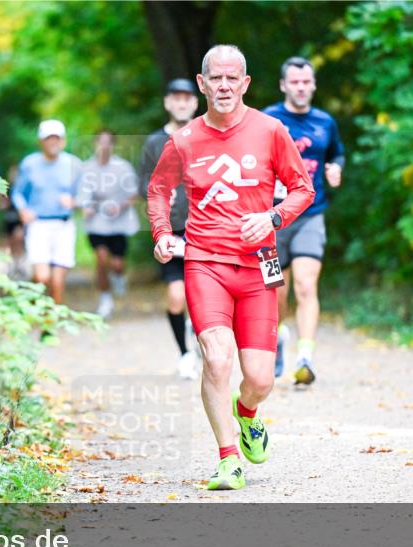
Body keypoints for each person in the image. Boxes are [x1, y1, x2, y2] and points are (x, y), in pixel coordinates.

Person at [148, 45, 314, 491]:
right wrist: (163, 233)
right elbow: (158, 191)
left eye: (231, 79)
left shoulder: (271, 130)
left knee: (260, 379)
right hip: (205, 262)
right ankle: (228, 459)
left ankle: (248, 414)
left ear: (244, 84)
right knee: (217, 359)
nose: (223, 86)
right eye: (214, 79)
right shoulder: (183, 140)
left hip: (260, 261)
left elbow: (303, 188)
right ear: (202, 85)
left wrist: (273, 217)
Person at [263, 56, 345, 384]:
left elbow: (336, 152)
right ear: (283, 85)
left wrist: (336, 168)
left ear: (313, 85)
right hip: (271, 219)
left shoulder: (325, 122)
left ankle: (305, 358)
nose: (300, 87)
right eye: (294, 82)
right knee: (274, 290)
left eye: (305, 81)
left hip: (311, 214)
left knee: (306, 284)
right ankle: (278, 335)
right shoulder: (267, 119)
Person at [139, 78, 200, 378]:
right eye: (176, 98)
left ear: (195, 103)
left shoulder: (206, 135)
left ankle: (206, 346)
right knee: (177, 295)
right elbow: (144, 186)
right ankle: (185, 352)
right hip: (172, 232)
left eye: (187, 98)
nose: (182, 103)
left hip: (206, 229)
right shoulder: (154, 143)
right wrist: (161, 194)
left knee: (203, 294)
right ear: (167, 103)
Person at [11, 120, 82, 304]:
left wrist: (74, 202)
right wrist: (23, 209)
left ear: (63, 141)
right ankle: (38, 305)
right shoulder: (30, 164)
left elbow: (86, 195)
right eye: (48, 139)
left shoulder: (73, 164)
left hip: (64, 225)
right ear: (41, 142)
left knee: (57, 280)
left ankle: (50, 324)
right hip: (38, 224)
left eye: (56, 138)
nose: (52, 142)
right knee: (42, 277)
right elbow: (18, 193)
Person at [78, 129, 139, 318]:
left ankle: (118, 276)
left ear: (113, 145)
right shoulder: (86, 168)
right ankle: (105, 298)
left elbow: (135, 194)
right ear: (95, 144)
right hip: (96, 223)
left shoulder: (124, 168)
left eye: (108, 142)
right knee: (101, 258)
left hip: (118, 224)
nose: (104, 146)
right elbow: (81, 196)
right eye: (100, 142)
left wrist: (120, 207)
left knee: (117, 263)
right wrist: (85, 207)